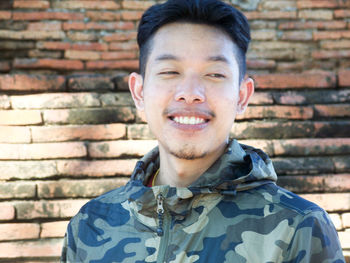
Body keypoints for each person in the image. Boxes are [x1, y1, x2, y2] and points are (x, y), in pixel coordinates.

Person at [60, 0, 345, 262]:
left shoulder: (298, 227)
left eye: (214, 74)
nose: (190, 93)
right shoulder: (89, 226)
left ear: (242, 96)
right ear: (139, 91)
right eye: (170, 72)